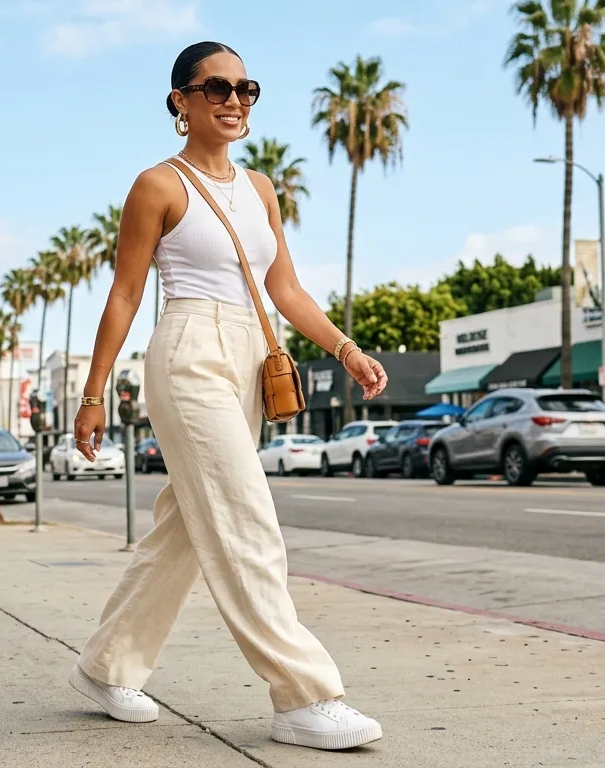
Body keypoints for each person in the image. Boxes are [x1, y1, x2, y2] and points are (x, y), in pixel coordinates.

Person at [67, 42, 389, 752]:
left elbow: (285, 290)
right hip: (187, 356)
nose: (234, 99)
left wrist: (345, 348)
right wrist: (93, 394)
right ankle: (304, 696)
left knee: (185, 529)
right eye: (216, 87)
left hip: (249, 356)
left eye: (246, 87)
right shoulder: (159, 185)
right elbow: (123, 296)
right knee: (245, 520)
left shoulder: (262, 188)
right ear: (180, 100)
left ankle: (106, 665)